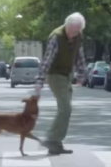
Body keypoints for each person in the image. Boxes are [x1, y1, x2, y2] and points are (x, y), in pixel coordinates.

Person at [34, 12, 87, 155]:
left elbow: (79, 55)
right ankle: (52, 139)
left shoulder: (78, 37)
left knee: (65, 110)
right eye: (71, 31)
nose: (72, 34)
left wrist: (81, 74)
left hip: (67, 75)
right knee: (66, 108)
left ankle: (56, 143)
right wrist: (40, 80)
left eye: (76, 32)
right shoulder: (56, 37)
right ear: (66, 25)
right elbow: (47, 60)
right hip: (54, 74)